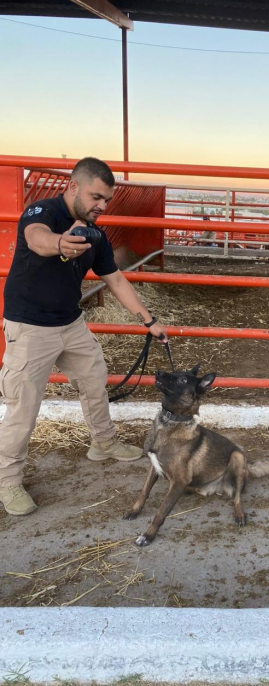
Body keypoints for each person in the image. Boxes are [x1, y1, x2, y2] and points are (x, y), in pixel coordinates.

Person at [0, 157, 168, 516]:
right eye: (96, 197)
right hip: (31, 326)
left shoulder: (95, 234)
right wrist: (61, 243)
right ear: (73, 186)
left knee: (94, 379)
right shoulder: (42, 212)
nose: (101, 205)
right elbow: (36, 239)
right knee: (23, 406)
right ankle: (8, 480)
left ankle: (103, 443)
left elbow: (115, 279)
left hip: (70, 323)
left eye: (106, 199)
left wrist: (149, 320)